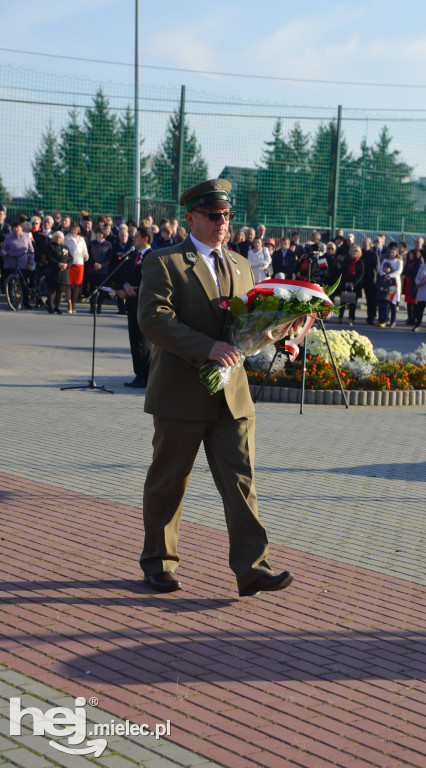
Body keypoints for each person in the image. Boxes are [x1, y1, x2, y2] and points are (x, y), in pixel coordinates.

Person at [137, 178, 294, 597]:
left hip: (233, 395)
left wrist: (282, 330)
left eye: (226, 215)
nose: (222, 222)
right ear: (190, 218)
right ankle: (159, 562)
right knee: (170, 481)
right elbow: (154, 319)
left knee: (241, 481)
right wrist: (208, 348)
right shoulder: (165, 261)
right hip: (181, 392)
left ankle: (252, 569)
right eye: (213, 215)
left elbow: (247, 329)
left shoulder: (242, 265)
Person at [115, 226, 153, 387]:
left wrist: (134, 291)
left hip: (143, 306)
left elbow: (151, 282)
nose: (133, 239)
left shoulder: (152, 257)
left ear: (145, 238)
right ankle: (138, 375)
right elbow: (127, 275)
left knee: (144, 343)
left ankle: (147, 376)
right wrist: (125, 287)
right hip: (131, 306)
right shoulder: (134, 256)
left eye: (136, 236)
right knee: (134, 341)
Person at [1, 222, 35, 308]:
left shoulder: (26, 237)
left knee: (24, 283)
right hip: (10, 262)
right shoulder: (8, 237)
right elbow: (3, 248)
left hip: (23, 263)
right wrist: (4, 253)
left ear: (21, 228)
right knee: (11, 283)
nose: (16, 229)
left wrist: (31, 260)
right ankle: (13, 301)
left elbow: (31, 251)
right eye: (14, 227)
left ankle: (26, 302)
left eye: (18, 227)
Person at [44, 231, 72, 314]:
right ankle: (50, 306)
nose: (58, 239)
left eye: (60, 237)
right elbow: (49, 257)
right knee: (51, 290)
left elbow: (70, 258)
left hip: (63, 273)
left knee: (60, 290)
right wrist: (58, 264)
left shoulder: (65, 248)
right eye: (56, 237)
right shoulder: (50, 246)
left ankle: (57, 307)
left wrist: (66, 265)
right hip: (53, 271)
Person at [63, 222, 89, 313]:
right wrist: (66, 257)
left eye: (76, 229)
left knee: (77, 284)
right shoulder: (66, 238)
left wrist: (86, 255)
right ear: (70, 229)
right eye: (73, 229)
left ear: (78, 230)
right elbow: (63, 250)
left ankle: (74, 303)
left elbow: (85, 250)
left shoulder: (81, 239)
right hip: (70, 264)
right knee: (68, 284)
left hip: (79, 263)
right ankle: (69, 303)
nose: (74, 230)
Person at [86, 227, 112, 313]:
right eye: (98, 233)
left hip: (103, 271)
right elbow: (88, 255)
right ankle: (92, 306)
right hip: (92, 270)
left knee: (102, 290)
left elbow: (109, 258)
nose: (99, 235)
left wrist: (102, 265)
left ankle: (99, 306)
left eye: (101, 233)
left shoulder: (108, 244)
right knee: (92, 289)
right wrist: (94, 264)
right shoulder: (91, 243)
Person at [338, 244, 365, 326]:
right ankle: (340, 318)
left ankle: (351, 319)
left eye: (357, 251)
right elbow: (343, 272)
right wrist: (346, 282)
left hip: (355, 286)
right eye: (354, 251)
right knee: (342, 302)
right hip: (345, 284)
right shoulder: (346, 261)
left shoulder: (360, 262)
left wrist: (353, 283)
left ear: (359, 252)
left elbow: (361, 274)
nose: (355, 252)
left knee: (353, 304)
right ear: (351, 252)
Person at [380, 244, 403, 326]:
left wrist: (389, 275)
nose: (392, 254)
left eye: (393, 252)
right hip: (385, 283)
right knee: (386, 302)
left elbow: (399, 271)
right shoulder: (385, 260)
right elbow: (380, 270)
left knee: (393, 302)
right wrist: (384, 275)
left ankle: (393, 320)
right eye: (391, 252)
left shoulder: (399, 261)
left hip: (394, 284)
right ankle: (385, 319)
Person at [360, 236, 380, 324]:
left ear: (369, 244)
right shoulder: (361, 253)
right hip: (361, 279)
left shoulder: (373, 254)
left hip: (371, 280)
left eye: (365, 243)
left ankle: (371, 317)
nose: (363, 245)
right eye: (362, 243)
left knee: (371, 300)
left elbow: (377, 267)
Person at [402, 247, 423, 325]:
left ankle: (414, 318)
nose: (410, 256)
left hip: (414, 284)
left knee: (414, 302)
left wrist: (409, 272)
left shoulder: (418, 262)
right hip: (407, 283)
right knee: (408, 302)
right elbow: (404, 271)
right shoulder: (408, 262)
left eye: (411, 255)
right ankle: (410, 318)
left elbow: (416, 271)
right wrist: (409, 272)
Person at [376, 262, 396, 327]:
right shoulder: (380, 276)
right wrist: (380, 287)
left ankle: (385, 320)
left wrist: (388, 289)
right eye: (385, 268)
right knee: (380, 308)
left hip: (388, 296)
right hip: (380, 295)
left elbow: (394, 287)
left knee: (386, 308)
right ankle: (380, 320)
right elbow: (376, 284)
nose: (386, 269)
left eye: (387, 268)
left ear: (390, 269)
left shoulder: (392, 278)